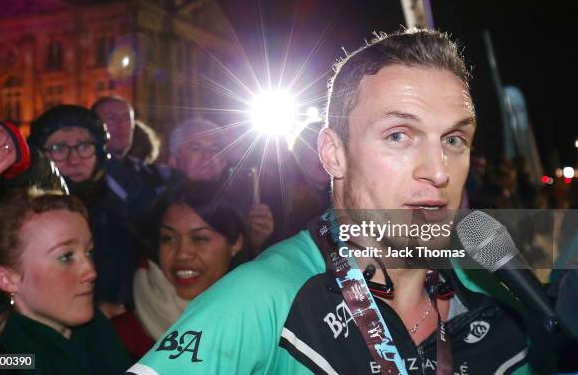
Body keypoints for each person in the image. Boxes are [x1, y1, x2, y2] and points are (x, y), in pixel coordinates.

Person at [128, 28, 531, 374]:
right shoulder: (264, 297)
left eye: (453, 140)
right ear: (333, 153)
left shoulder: (498, 292)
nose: (439, 170)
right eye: (398, 135)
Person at [0, 188, 131, 374]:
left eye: (89, 252)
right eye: (66, 257)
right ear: (8, 279)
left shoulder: (100, 336)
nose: (91, 271)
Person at [29, 105, 142, 318]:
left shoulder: (121, 210)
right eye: (58, 148)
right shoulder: (24, 215)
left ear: (99, 153)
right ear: (40, 156)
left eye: (83, 146)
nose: (74, 159)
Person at [112, 181, 245, 359]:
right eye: (168, 238)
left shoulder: (263, 327)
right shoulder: (120, 336)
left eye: (200, 238)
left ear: (235, 243)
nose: (182, 254)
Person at [167, 118, 275, 254]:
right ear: (173, 159)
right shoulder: (157, 209)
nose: (208, 157)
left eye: (216, 149)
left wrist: (254, 243)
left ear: (224, 161)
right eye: (196, 148)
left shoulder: (240, 205)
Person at [92, 96, 165, 217]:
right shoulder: (87, 177)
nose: (121, 125)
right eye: (111, 118)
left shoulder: (149, 173)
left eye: (127, 118)